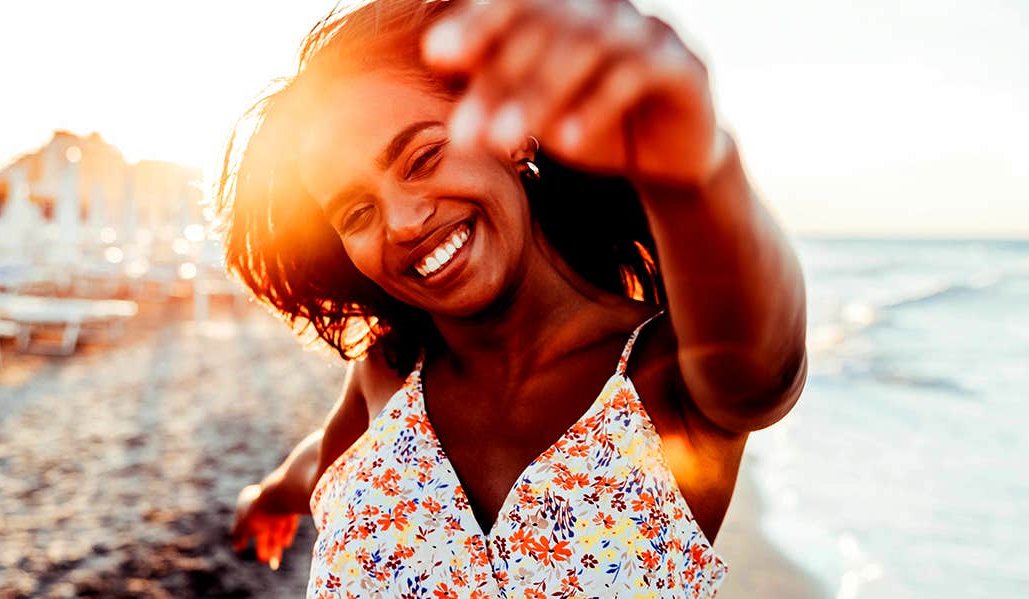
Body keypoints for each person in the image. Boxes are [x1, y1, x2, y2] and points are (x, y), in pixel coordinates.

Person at [222, 0, 807, 596]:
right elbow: (322, 462)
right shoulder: (387, 375)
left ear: (511, 135)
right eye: (356, 211)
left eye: (421, 157)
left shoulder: (670, 381)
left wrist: (699, 168)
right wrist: (268, 496)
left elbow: (768, 370)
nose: (401, 222)